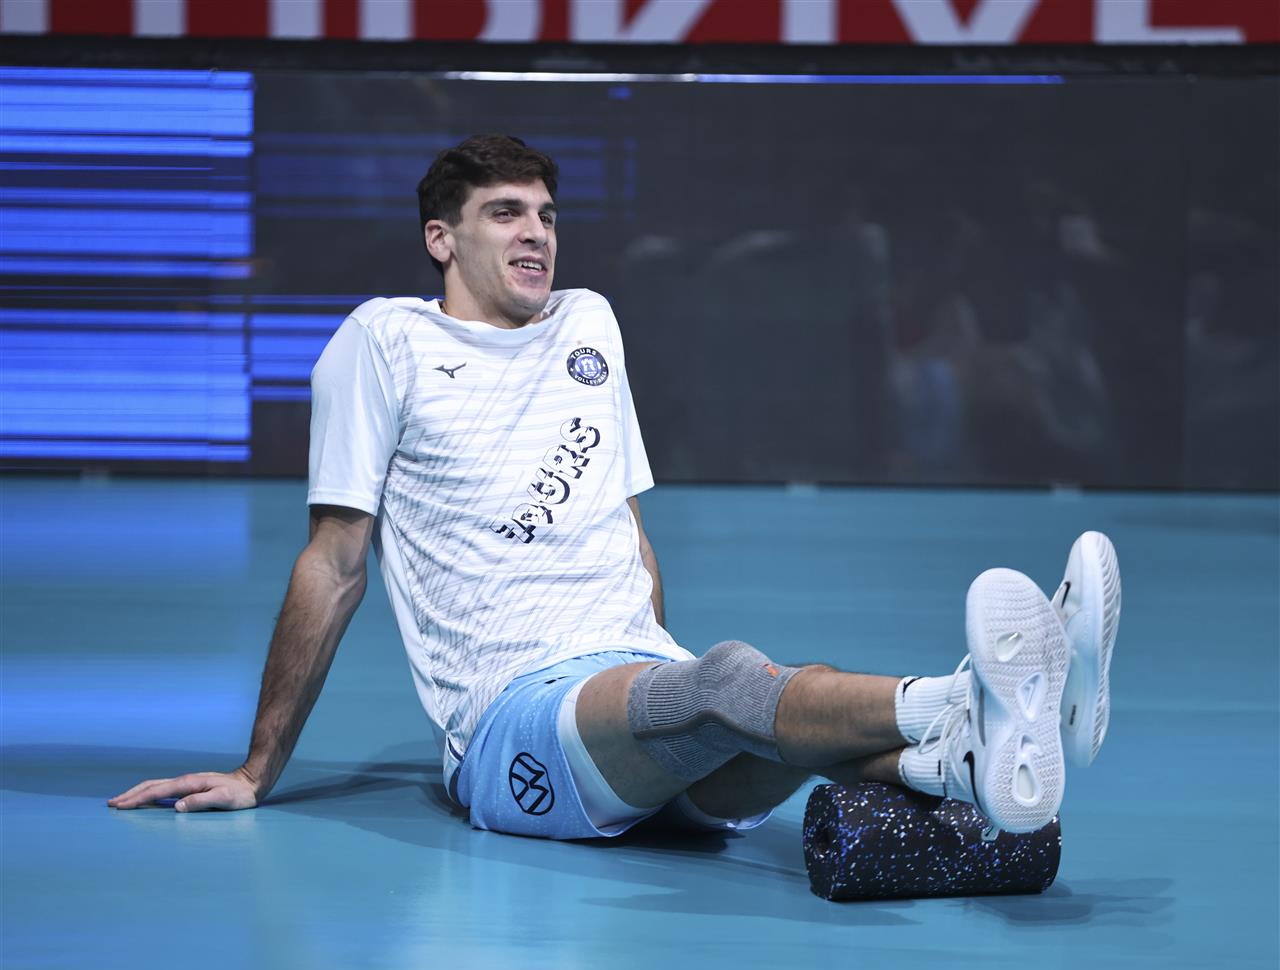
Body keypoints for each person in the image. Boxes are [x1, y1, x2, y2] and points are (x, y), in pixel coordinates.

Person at [109, 135, 1121, 844]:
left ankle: (968, 758)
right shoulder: (383, 343)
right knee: (734, 683)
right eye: (504, 214)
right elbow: (333, 566)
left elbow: (625, 524)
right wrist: (257, 769)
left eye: (546, 215)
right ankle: (985, 691)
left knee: (754, 699)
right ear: (440, 239)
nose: (535, 234)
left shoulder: (588, 322)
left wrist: (657, 680)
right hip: (512, 721)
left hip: (627, 687)